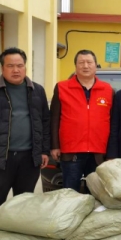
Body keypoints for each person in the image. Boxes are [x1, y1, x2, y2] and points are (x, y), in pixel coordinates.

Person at [0, 47, 51, 228]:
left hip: (29, 158)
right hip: (0, 159)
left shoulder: (37, 90)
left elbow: (45, 122)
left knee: (24, 203)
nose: (16, 70)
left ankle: (18, 239)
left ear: (25, 67)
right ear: (2, 68)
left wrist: (44, 151)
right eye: (10, 66)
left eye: (20, 66)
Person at [50, 50, 113, 192]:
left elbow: (113, 121)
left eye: (89, 62)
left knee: (97, 193)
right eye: (81, 62)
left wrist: (111, 151)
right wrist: (54, 146)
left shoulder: (107, 89)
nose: (85, 66)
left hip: (98, 152)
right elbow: (54, 119)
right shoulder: (62, 88)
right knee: (70, 193)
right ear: (75, 66)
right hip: (71, 151)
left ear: (95, 66)